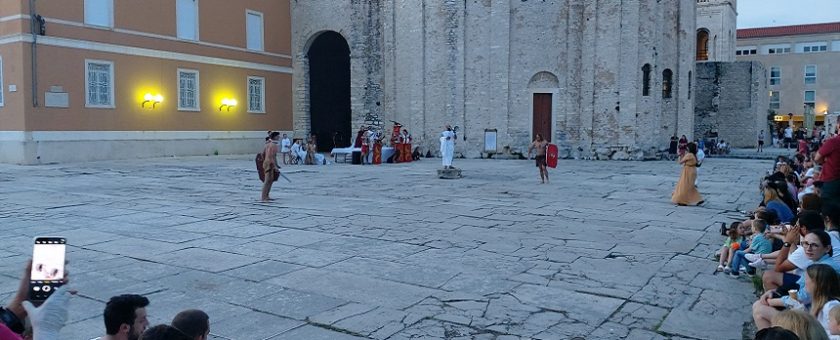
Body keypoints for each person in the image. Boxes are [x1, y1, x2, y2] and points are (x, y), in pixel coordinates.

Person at [753, 230, 840, 330]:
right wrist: (773, 292)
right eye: (805, 244)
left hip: (813, 320)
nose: (808, 248)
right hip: (809, 310)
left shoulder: (822, 269)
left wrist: (771, 301)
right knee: (759, 306)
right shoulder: (819, 261)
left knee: (760, 311)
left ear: (827, 248)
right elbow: (799, 286)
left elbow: (803, 297)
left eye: (814, 245)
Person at [804, 264, 840, 339]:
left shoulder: (831, 305)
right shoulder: (815, 303)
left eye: (807, 279)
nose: (805, 282)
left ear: (817, 283)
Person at [815, 117, 840, 208]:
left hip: (832, 181)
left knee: (830, 211)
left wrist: (825, 160)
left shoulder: (833, 141)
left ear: (838, 125)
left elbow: (817, 158)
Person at [260, 132, 280, 202]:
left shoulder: (267, 144)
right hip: (270, 163)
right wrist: (275, 166)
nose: (279, 137)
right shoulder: (274, 145)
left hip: (266, 162)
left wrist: (276, 165)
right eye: (278, 136)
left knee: (270, 180)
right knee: (267, 180)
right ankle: (263, 197)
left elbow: (262, 154)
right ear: (275, 137)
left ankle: (266, 196)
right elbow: (272, 156)